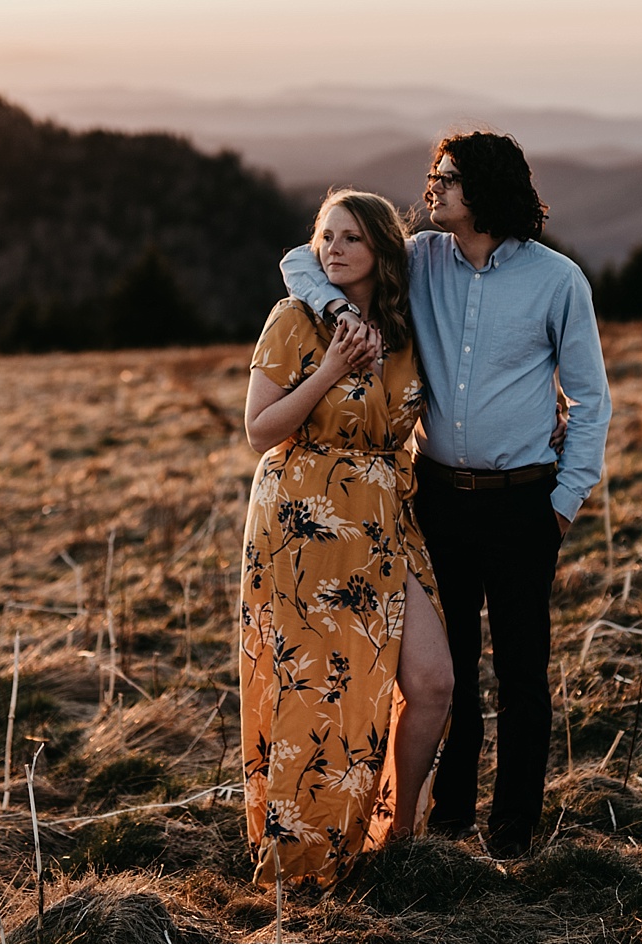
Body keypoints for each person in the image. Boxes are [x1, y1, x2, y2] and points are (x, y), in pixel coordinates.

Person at [281, 130, 611, 859]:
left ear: (486, 189)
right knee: (449, 670)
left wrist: (564, 503)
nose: (432, 187)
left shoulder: (558, 281)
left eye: (448, 177)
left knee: (522, 671)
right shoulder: (419, 257)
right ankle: (451, 820)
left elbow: (589, 399)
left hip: (526, 500)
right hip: (436, 497)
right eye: (433, 173)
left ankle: (515, 829)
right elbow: (301, 258)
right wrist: (335, 311)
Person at [239, 188, 454, 890]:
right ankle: (304, 862)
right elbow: (260, 429)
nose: (333, 249)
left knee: (432, 679)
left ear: (381, 252)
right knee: (315, 694)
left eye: (351, 238)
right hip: (303, 523)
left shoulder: (407, 322)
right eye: (326, 236)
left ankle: (399, 834)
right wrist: (329, 367)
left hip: (388, 519)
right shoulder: (294, 319)